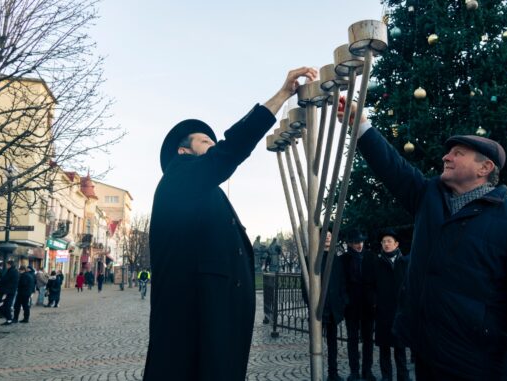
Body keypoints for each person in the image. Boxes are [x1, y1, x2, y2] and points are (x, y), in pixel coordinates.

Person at [343, 104, 507, 380]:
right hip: (427, 353)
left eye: (458, 153)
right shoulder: (430, 197)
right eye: (449, 152)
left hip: (478, 362)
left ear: (485, 167)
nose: (447, 157)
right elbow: (392, 168)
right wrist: (360, 125)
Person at [143, 66, 317, 381]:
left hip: (212, 327)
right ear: (183, 151)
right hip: (196, 331)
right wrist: (281, 96)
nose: (214, 145)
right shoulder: (178, 177)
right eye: (206, 141)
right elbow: (229, 150)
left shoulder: (202, 193)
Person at [301, 230, 347, 381]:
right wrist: (311, 304)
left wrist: (341, 303)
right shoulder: (311, 259)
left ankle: (333, 373)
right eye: (324, 235)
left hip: (333, 309)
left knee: (333, 343)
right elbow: (304, 285)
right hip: (317, 309)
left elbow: (342, 283)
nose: (328, 237)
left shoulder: (337, 259)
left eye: (330, 235)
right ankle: (316, 372)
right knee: (316, 344)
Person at [373, 230, 410, 381]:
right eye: (384, 241)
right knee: (384, 348)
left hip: (400, 311)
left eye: (389, 241)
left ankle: (403, 376)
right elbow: (371, 286)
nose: (386, 244)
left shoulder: (405, 262)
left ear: (396, 244)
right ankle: (386, 377)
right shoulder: (377, 262)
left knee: (400, 347)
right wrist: (375, 303)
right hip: (382, 312)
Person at [341, 229, 376, 381]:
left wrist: (374, 300)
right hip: (352, 307)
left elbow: (377, 281)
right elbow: (341, 283)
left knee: (368, 340)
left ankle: (367, 370)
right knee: (352, 339)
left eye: (361, 242)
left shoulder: (371, 257)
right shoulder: (344, 259)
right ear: (349, 243)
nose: (359, 245)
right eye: (356, 242)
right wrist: (346, 301)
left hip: (368, 306)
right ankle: (354, 371)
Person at [0, 260, 19, 326]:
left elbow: (6, 281)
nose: (6, 266)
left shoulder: (12, 272)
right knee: (5, 305)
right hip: (9, 291)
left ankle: (9, 319)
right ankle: (9, 318)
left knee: (5, 305)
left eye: (7, 265)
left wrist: (5, 292)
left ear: (10, 265)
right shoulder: (13, 271)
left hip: (7, 292)